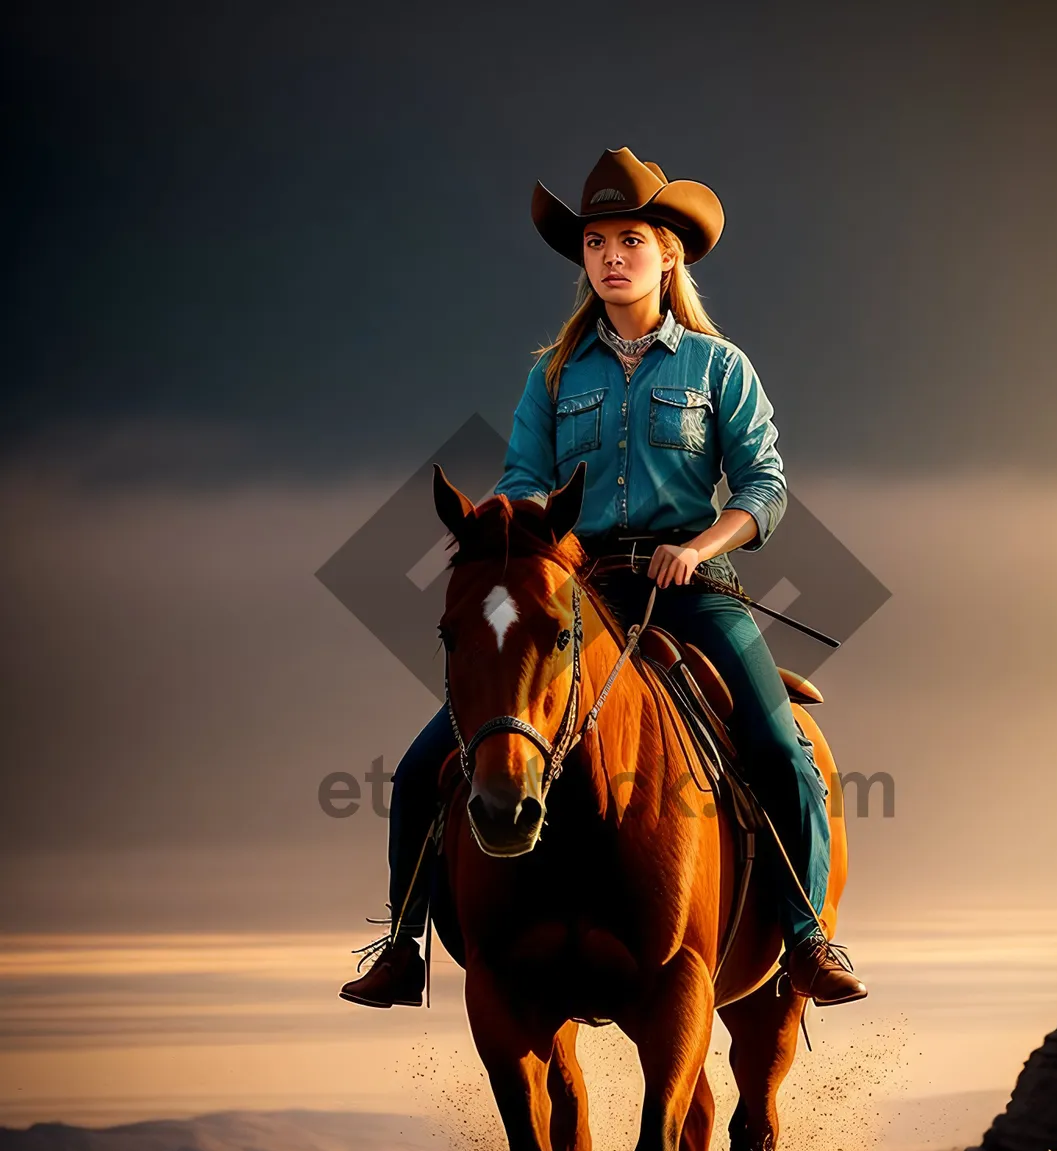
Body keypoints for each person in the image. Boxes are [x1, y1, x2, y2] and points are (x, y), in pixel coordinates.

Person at [340, 146, 867, 1009]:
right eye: (596, 243)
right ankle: (402, 946)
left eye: (630, 239)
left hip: (692, 589)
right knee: (424, 763)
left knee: (780, 749)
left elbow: (765, 490)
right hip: (574, 592)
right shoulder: (553, 375)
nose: (612, 256)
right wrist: (510, 534)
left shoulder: (717, 368)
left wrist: (698, 546)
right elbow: (520, 484)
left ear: (671, 255)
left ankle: (807, 939)